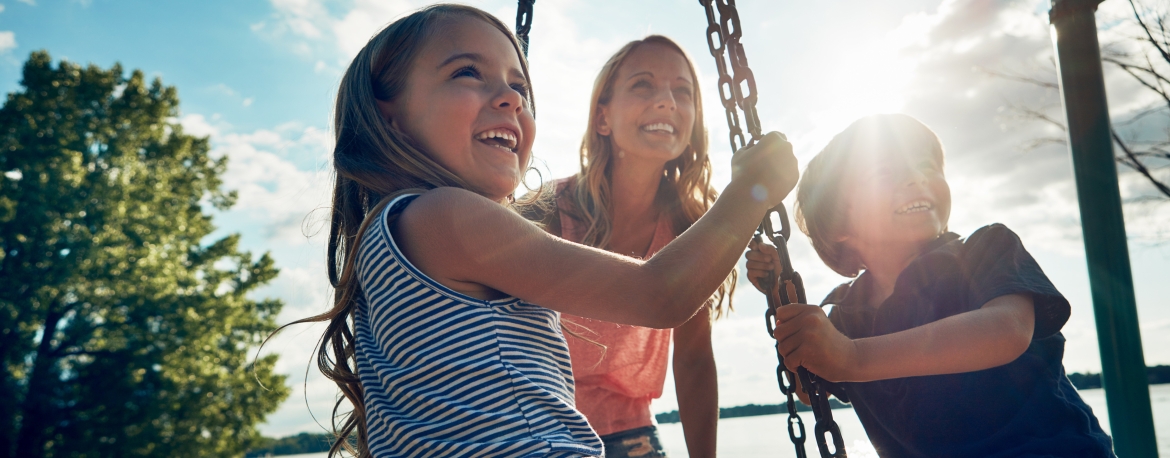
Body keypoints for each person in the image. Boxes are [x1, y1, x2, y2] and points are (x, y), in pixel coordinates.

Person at [287, 4, 799, 457]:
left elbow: (688, 351)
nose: (509, 98)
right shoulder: (446, 217)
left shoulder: (398, 229)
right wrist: (752, 191)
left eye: (519, 86)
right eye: (468, 72)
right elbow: (659, 293)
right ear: (389, 116)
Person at [744, 113, 1114, 457]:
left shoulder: (984, 252)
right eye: (886, 172)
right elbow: (810, 391)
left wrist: (854, 358)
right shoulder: (847, 317)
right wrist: (784, 302)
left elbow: (1008, 331)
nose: (916, 178)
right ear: (840, 223)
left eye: (926, 166)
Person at [525, 35, 727, 458]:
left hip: (630, 434)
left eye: (682, 91)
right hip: (538, 426)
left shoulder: (689, 230)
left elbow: (692, 360)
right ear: (603, 118)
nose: (667, 101)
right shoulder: (546, 212)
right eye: (643, 85)